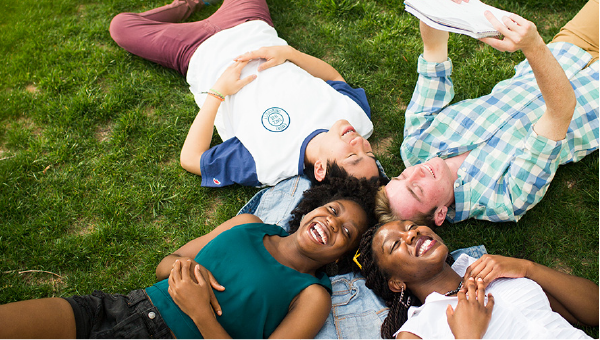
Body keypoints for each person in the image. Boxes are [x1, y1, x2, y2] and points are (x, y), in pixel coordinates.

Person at [0, 176, 379, 340]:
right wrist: (184, 268)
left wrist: (200, 312)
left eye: (346, 233)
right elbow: (168, 262)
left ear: (342, 256)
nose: (332, 224)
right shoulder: (247, 224)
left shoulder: (312, 295)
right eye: (333, 210)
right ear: (313, 206)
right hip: (122, 307)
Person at [109, 0, 383, 188]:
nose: (360, 143)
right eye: (370, 154)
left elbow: (191, 159)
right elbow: (334, 78)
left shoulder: (267, 163)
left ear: (321, 169)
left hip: (194, 51)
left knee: (121, 26)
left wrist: (217, 93)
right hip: (249, 22)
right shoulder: (358, 120)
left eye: (353, 156)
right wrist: (289, 54)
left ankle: (187, 4)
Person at [378, 0, 599, 226]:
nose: (416, 173)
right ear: (440, 214)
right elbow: (561, 110)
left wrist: (438, 7)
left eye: (402, 176)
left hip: (568, 48)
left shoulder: (416, 144)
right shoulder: (502, 200)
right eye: (417, 189)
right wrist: (533, 46)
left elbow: (433, 58)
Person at [354, 219, 599, 339]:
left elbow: (594, 311)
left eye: (412, 225)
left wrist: (528, 268)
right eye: (396, 243)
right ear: (397, 283)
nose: (412, 234)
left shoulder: (490, 270)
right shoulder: (416, 331)